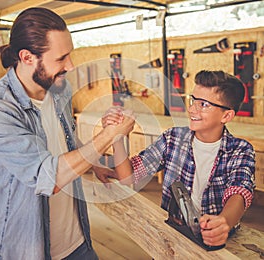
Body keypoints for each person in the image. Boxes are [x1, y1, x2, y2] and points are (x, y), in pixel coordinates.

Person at [0, 7, 135, 260]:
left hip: (78, 242)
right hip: (27, 250)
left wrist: (92, 163)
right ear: (27, 57)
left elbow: (63, 136)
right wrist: (106, 138)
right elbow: (47, 176)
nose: (70, 66)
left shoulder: (58, 88)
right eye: (61, 58)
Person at [102, 70, 255, 247]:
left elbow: (239, 192)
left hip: (216, 242)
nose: (191, 109)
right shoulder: (172, 139)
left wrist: (223, 223)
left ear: (226, 116)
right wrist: (117, 137)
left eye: (204, 105)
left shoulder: (240, 150)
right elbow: (127, 176)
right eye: (193, 100)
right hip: (172, 237)